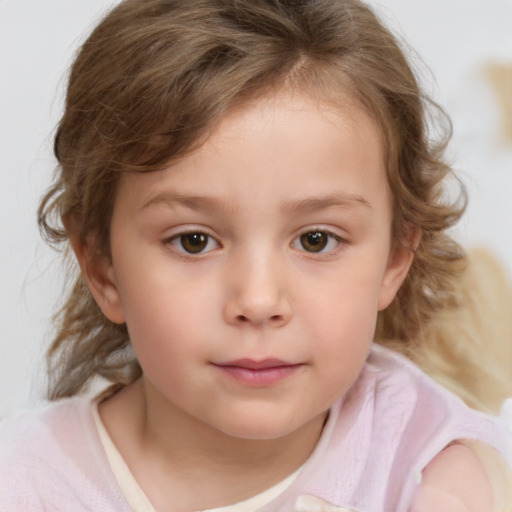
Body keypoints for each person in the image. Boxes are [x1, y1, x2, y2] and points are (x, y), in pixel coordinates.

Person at [1, 0, 511, 510]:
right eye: (193, 240)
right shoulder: (28, 483)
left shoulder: (430, 476)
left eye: (316, 240)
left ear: (395, 259)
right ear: (102, 267)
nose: (259, 300)